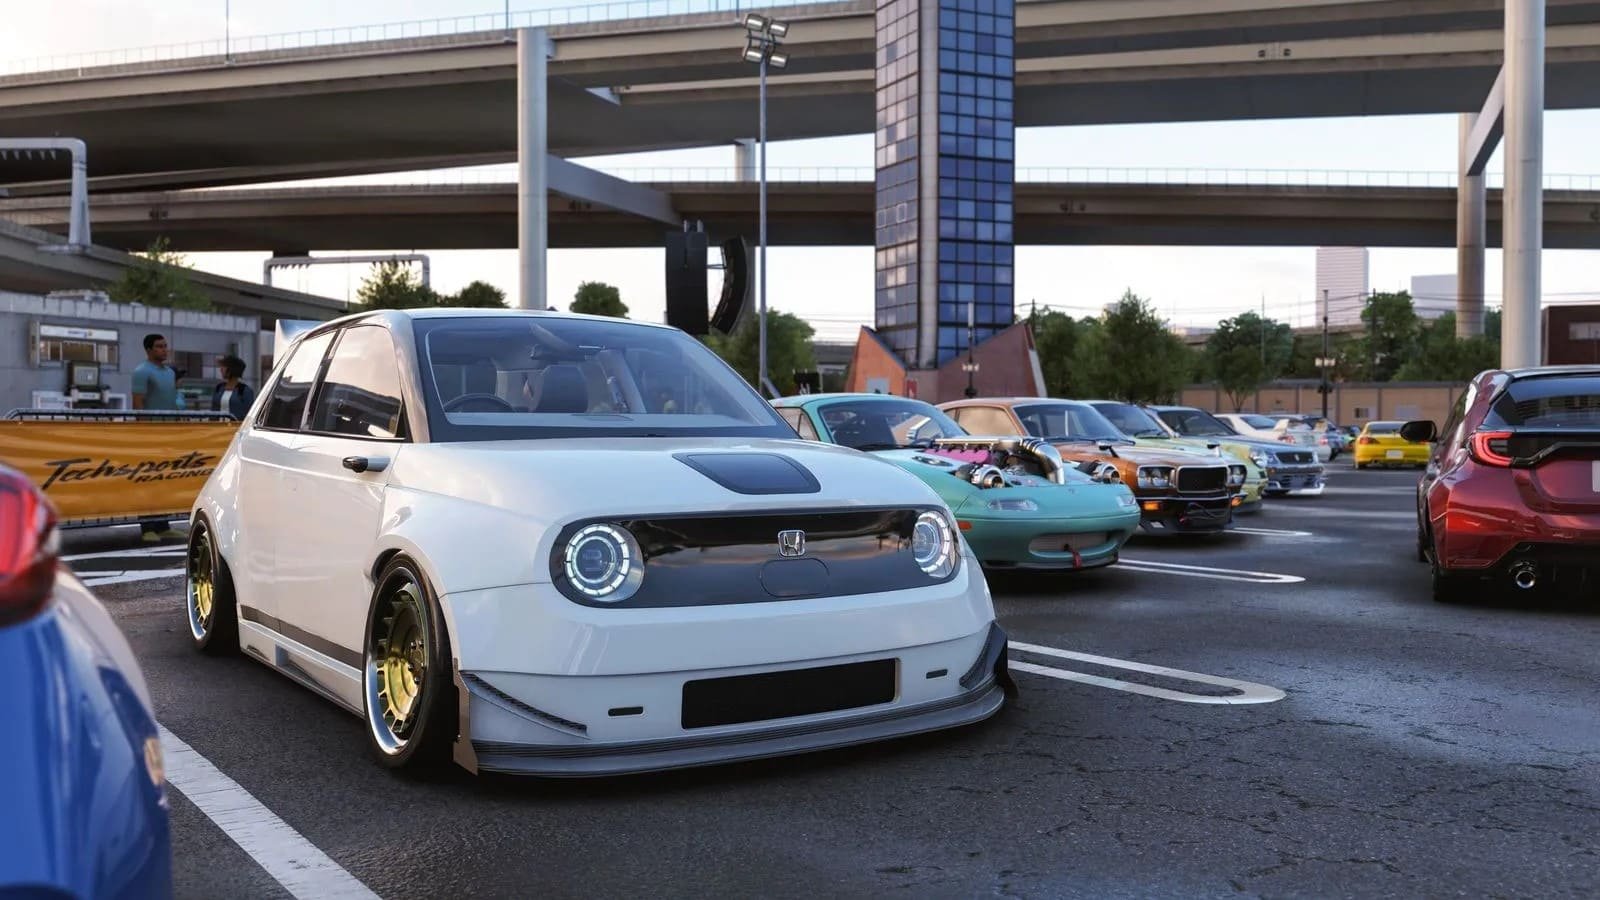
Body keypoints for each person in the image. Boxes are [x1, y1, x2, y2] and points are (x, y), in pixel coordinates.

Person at [130, 333, 184, 542]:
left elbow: (172, 401)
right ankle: (147, 526)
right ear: (149, 350)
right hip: (150, 435)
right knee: (148, 480)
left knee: (165, 479)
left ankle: (163, 524)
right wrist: (144, 434)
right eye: (160, 347)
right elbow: (138, 403)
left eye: (165, 346)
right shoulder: (141, 372)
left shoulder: (170, 373)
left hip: (168, 434)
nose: (164, 350)